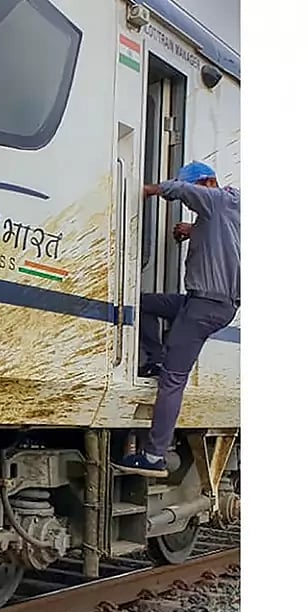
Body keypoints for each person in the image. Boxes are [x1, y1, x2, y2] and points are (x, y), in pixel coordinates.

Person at [114, 161, 240, 478]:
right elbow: (224, 238)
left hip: (205, 305)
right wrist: (193, 230)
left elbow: (180, 191)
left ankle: (154, 456)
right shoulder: (233, 208)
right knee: (141, 304)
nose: (194, 197)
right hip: (208, 303)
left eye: (197, 189)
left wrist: (146, 190)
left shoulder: (216, 199)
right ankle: (155, 358)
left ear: (208, 183)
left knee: (173, 380)